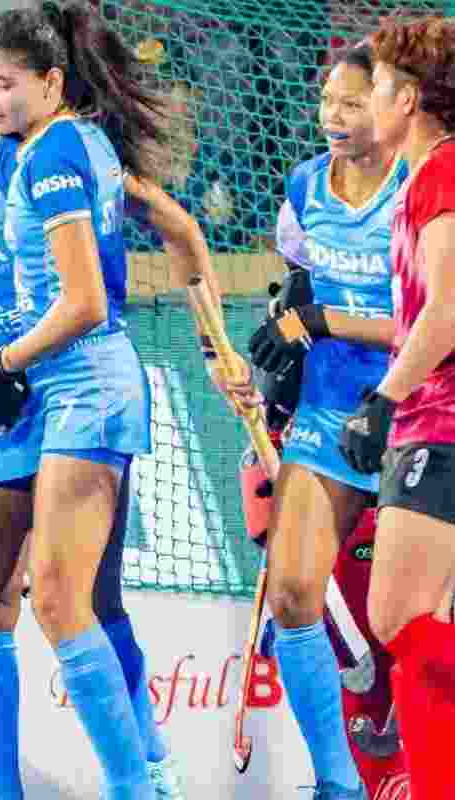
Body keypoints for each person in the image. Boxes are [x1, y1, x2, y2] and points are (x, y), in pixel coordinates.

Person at [0, 25, 247, 799]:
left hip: (62, 388)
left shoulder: (36, 157)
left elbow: (147, 242)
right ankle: (4, 788)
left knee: (80, 600)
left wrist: (217, 348)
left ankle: (149, 772)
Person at [0, 3, 179, 796]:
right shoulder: (74, 142)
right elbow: (179, 231)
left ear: (51, 81)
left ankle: (134, 785)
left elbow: (80, 301)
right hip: (81, 386)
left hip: (86, 386)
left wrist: (1, 363)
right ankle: (147, 767)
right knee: (83, 597)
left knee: (54, 597)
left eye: (5, 84)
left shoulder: (51, 158)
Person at [246, 41, 409, 800]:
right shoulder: (306, 185)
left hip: (418, 412)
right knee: (292, 594)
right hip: (326, 414)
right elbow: (301, 286)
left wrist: (324, 318)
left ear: (394, 104)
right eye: (326, 103)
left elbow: (429, 319)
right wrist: (276, 340)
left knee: (414, 619)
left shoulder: (424, 184)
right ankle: (338, 785)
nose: (334, 118)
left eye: (353, 103)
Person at [339, 15, 455, 799]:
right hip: (437, 420)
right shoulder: (432, 176)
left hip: (439, 424)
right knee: (422, 625)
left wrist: (383, 400)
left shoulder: (440, 174)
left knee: (398, 618)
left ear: (408, 99)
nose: (365, 100)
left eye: (375, 87)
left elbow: (447, 309)